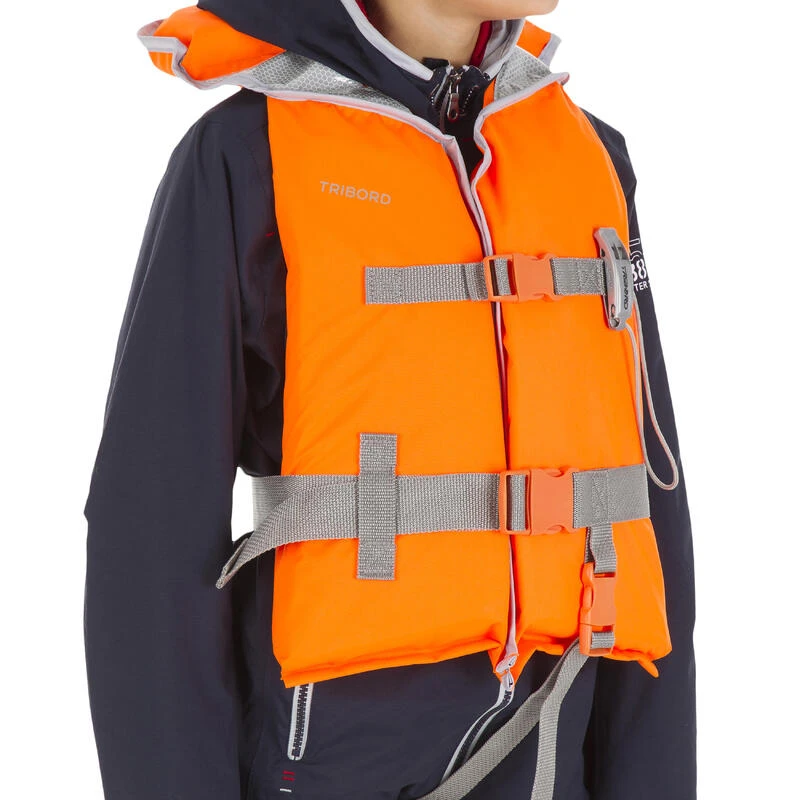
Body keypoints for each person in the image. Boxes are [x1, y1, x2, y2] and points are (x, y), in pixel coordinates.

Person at [83, 1, 697, 798]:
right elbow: (151, 528)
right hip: (328, 753)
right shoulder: (247, 155)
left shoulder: (589, 158)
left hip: (556, 732)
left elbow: (645, 500)